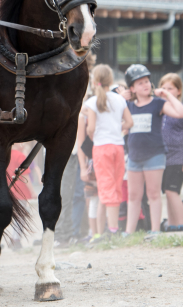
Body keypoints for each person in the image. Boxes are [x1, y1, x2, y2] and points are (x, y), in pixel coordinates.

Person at [123, 64, 183, 235]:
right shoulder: (128, 106)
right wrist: (120, 96)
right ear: (132, 88)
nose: (145, 85)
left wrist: (166, 95)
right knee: (133, 196)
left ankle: (155, 231)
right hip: (134, 157)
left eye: (147, 81)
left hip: (155, 155)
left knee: (153, 194)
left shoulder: (158, 103)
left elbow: (181, 113)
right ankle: (128, 232)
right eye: (140, 83)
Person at [83, 64, 132, 240]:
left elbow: (91, 128)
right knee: (117, 187)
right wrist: (116, 129)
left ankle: (109, 231)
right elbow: (129, 122)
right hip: (118, 147)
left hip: (101, 147)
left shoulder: (92, 102)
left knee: (105, 188)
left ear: (94, 81)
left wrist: (93, 134)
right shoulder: (119, 100)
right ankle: (114, 228)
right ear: (110, 81)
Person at [157, 73, 183, 231]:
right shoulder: (160, 109)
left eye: (170, 88)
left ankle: (182, 225)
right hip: (163, 158)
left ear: (179, 91)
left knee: (173, 191)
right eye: (163, 88)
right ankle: (172, 225)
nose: (166, 91)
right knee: (167, 192)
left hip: (178, 157)